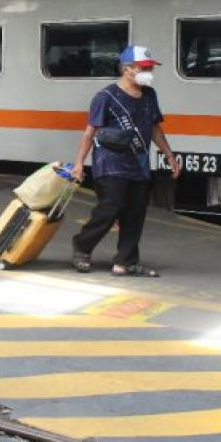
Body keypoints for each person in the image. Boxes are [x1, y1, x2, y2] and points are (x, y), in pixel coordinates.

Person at [69, 45, 181, 277]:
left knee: (135, 213)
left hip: (139, 163)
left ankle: (125, 262)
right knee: (112, 206)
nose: (149, 72)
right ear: (127, 69)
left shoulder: (149, 95)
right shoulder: (105, 97)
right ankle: (82, 245)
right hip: (110, 163)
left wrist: (168, 155)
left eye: (151, 68)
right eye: (145, 67)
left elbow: (154, 128)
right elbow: (90, 132)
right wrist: (79, 163)